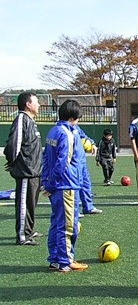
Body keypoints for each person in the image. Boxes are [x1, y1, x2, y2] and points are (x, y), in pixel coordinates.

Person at [41, 100, 89, 272]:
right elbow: (63, 162)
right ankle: (65, 260)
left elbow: (45, 158)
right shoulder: (67, 134)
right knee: (68, 224)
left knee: (56, 222)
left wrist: (45, 182)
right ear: (72, 117)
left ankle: (54, 258)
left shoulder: (52, 131)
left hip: (57, 185)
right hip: (66, 185)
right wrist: (52, 184)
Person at [4, 92, 43, 246]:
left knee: (31, 204)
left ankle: (29, 230)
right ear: (28, 104)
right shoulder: (21, 119)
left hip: (35, 171)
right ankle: (22, 236)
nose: (39, 104)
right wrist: (13, 162)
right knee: (24, 204)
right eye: (36, 102)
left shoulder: (31, 121)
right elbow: (14, 144)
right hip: (26, 171)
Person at [76, 125, 103, 216]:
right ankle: (74, 211)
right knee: (75, 186)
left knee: (85, 183)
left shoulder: (75, 127)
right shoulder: (63, 130)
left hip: (81, 160)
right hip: (73, 161)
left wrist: (91, 143)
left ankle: (88, 207)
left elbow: (84, 136)